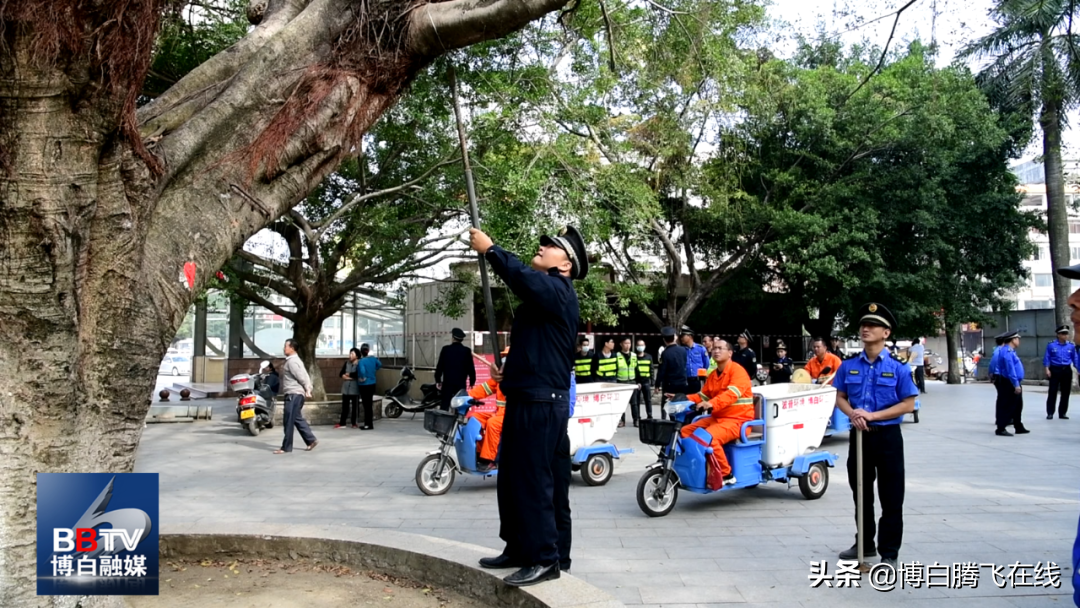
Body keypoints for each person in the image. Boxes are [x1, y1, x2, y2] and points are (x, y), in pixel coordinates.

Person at [469, 224, 585, 587]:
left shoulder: (557, 289)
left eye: (550, 245)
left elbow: (522, 278)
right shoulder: (546, 298)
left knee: (534, 481)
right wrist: (511, 370)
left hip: (541, 404)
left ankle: (545, 558)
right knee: (519, 480)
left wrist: (492, 250)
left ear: (565, 264)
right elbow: (541, 351)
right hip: (529, 396)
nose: (542, 245)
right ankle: (522, 547)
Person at [831, 303, 917, 569]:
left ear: (886, 332)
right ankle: (865, 543)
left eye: (873, 325)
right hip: (859, 437)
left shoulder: (898, 368)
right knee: (861, 492)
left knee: (891, 496)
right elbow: (839, 396)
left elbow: (908, 403)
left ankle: (889, 551)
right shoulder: (848, 366)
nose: (866, 329)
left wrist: (873, 416)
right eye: (863, 325)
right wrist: (854, 414)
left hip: (888, 437)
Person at [673, 341, 753, 485]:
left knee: (709, 438)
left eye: (720, 348)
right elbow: (702, 396)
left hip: (737, 421)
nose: (716, 351)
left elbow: (731, 395)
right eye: (714, 348)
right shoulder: (713, 375)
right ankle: (698, 466)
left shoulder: (738, 371)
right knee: (685, 431)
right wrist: (683, 398)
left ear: (730, 353)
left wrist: (711, 404)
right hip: (717, 418)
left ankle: (726, 474)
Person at [469, 348, 510, 472]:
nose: (503, 361)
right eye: (503, 358)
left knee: (493, 423)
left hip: (512, 415)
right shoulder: (499, 379)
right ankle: (479, 452)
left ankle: (490, 460)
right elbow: (484, 388)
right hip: (499, 413)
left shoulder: (518, 378)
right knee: (476, 417)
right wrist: (467, 396)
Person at [274, 339, 317, 454]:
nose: (284, 348)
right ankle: (310, 440)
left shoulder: (292, 362)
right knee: (296, 418)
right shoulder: (294, 361)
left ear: (292, 348)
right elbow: (304, 374)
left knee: (288, 421)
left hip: (294, 394)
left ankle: (286, 447)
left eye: (285, 346)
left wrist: (308, 388)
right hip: (294, 394)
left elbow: (302, 376)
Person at [994, 330, 1029, 436]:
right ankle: (1001, 428)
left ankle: (1018, 425)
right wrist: (1016, 384)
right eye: (1017, 339)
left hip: (1013, 381)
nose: (1019, 341)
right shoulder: (1007, 352)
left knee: (1018, 405)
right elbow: (1010, 370)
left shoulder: (1010, 351)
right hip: (1009, 382)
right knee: (1007, 405)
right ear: (1013, 340)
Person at [434, 328, 476, 411]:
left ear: (453, 338)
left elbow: (440, 366)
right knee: (460, 405)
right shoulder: (466, 351)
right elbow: (471, 368)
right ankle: (458, 420)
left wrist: (438, 380)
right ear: (462, 339)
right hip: (460, 383)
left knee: (445, 404)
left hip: (448, 383)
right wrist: (472, 382)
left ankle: (443, 421)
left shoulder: (446, 350)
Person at [656, 326, 689, 418]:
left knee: (669, 404)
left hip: (670, 384)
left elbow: (662, 370)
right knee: (681, 403)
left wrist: (657, 384)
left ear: (664, 340)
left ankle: (671, 423)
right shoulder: (683, 350)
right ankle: (680, 422)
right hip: (682, 382)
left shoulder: (665, 353)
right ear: (674, 337)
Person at [1044, 325, 1074, 420]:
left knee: (1065, 392)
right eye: (1063, 334)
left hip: (1066, 370)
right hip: (1055, 370)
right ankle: (1050, 413)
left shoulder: (1071, 346)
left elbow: (1075, 359)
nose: (1065, 336)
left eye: (1066, 334)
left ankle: (1062, 413)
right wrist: (1047, 369)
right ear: (1058, 335)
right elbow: (1047, 358)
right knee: (1052, 391)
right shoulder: (1051, 345)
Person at [356, 343, 380, 430]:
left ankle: (368, 425)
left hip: (364, 385)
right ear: (368, 350)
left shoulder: (361, 361)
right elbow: (379, 365)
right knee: (369, 404)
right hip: (372, 383)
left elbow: (362, 371)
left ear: (361, 351)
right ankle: (369, 424)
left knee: (366, 405)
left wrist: (363, 377)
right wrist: (373, 370)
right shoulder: (373, 359)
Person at [337, 348, 362, 428]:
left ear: (357, 356)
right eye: (350, 354)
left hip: (355, 389)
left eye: (352, 354)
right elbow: (341, 374)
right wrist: (348, 377)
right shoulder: (346, 363)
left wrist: (348, 375)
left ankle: (354, 423)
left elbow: (358, 375)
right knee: (345, 407)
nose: (350, 356)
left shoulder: (359, 364)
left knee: (355, 408)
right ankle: (342, 423)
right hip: (346, 389)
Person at [615, 337, 637, 428]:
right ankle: (622, 420)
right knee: (622, 403)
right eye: (625, 343)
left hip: (632, 381)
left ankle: (636, 420)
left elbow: (637, 369)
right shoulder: (617, 355)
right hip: (621, 382)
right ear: (621, 344)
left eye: (629, 343)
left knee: (634, 403)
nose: (627, 345)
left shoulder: (634, 355)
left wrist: (638, 382)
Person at [680, 327, 709, 394]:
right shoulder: (682, 350)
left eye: (683, 336)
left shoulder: (700, 348)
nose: (681, 338)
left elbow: (706, 364)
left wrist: (701, 373)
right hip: (686, 380)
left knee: (698, 399)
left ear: (689, 336)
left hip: (697, 380)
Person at [634, 339, 655, 423]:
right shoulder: (634, 357)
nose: (640, 347)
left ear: (645, 346)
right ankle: (637, 417)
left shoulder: (649, 357)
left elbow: (652, 369)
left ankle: (649, 415)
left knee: (648, 400)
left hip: (646, 381)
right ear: (636, 346)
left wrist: (652, 381)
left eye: (642, 345)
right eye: (639, 345)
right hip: (637, 382)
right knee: (637, 401)